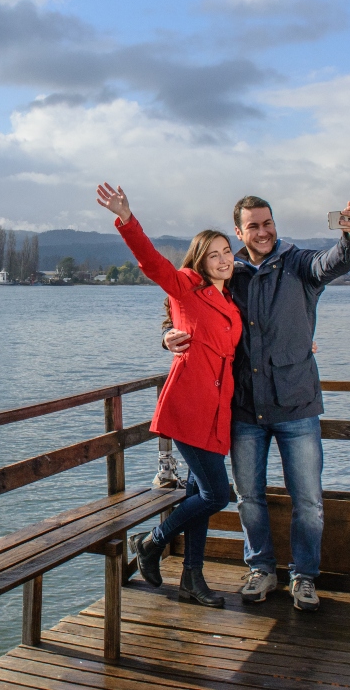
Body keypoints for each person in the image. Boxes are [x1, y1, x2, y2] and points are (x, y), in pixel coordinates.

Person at [164, 195, 350, 612]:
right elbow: (184, 304)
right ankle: (261, 569)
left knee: (308, 500)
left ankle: (304, 577)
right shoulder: (228, 272)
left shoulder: (300, 265)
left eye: (267, 223)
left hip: (297, 405)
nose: (263, 231)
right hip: (244, 408)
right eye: (252, 226)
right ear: (239, 233)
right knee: (248, 497)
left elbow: (334, 262)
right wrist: (168, 337)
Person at [96, 182, 240, 608]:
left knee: (200, 493)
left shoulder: (230, 300)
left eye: (227, 251)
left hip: (217, 412)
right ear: (199, 259)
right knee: (218, 495)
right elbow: (151, 262)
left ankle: (192, 579)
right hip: (188, 407)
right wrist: (127, 218)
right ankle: (152, 541)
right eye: (214, 253)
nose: (223, 259)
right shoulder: (186, 287)